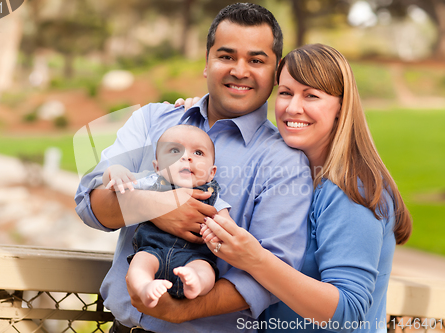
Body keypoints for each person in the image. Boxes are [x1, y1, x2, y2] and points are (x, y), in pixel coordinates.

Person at [74, 3, 312, 333]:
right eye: (226, 56)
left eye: (256, 60)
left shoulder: (284, 162)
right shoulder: (151, 121)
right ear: (207, 62)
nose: (239, 70)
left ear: (276, 71)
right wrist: (158, 206)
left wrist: (181, 311)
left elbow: (273, 274)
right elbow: (89, 204)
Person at [200, 43, 412, 333]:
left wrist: (255, 259)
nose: (292, 107)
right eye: (285, 92)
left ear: (341, 107)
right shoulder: (293, 177)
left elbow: (348, 312)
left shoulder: (351, 190)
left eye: (311, 95)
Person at [103, 125, 231, 308]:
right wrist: (114, 172)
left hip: (194, 257)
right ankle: (145, 287)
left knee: (206, 270)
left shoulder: (212, 196)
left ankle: (196, 283)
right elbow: (116, 187)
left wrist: (220, 232)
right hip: (152, 251)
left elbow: (227, 226)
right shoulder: (151, 183)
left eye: (198, 153)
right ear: (157, 167)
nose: (186, 157)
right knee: (139, 265)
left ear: (211, 172)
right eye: (174, 151)